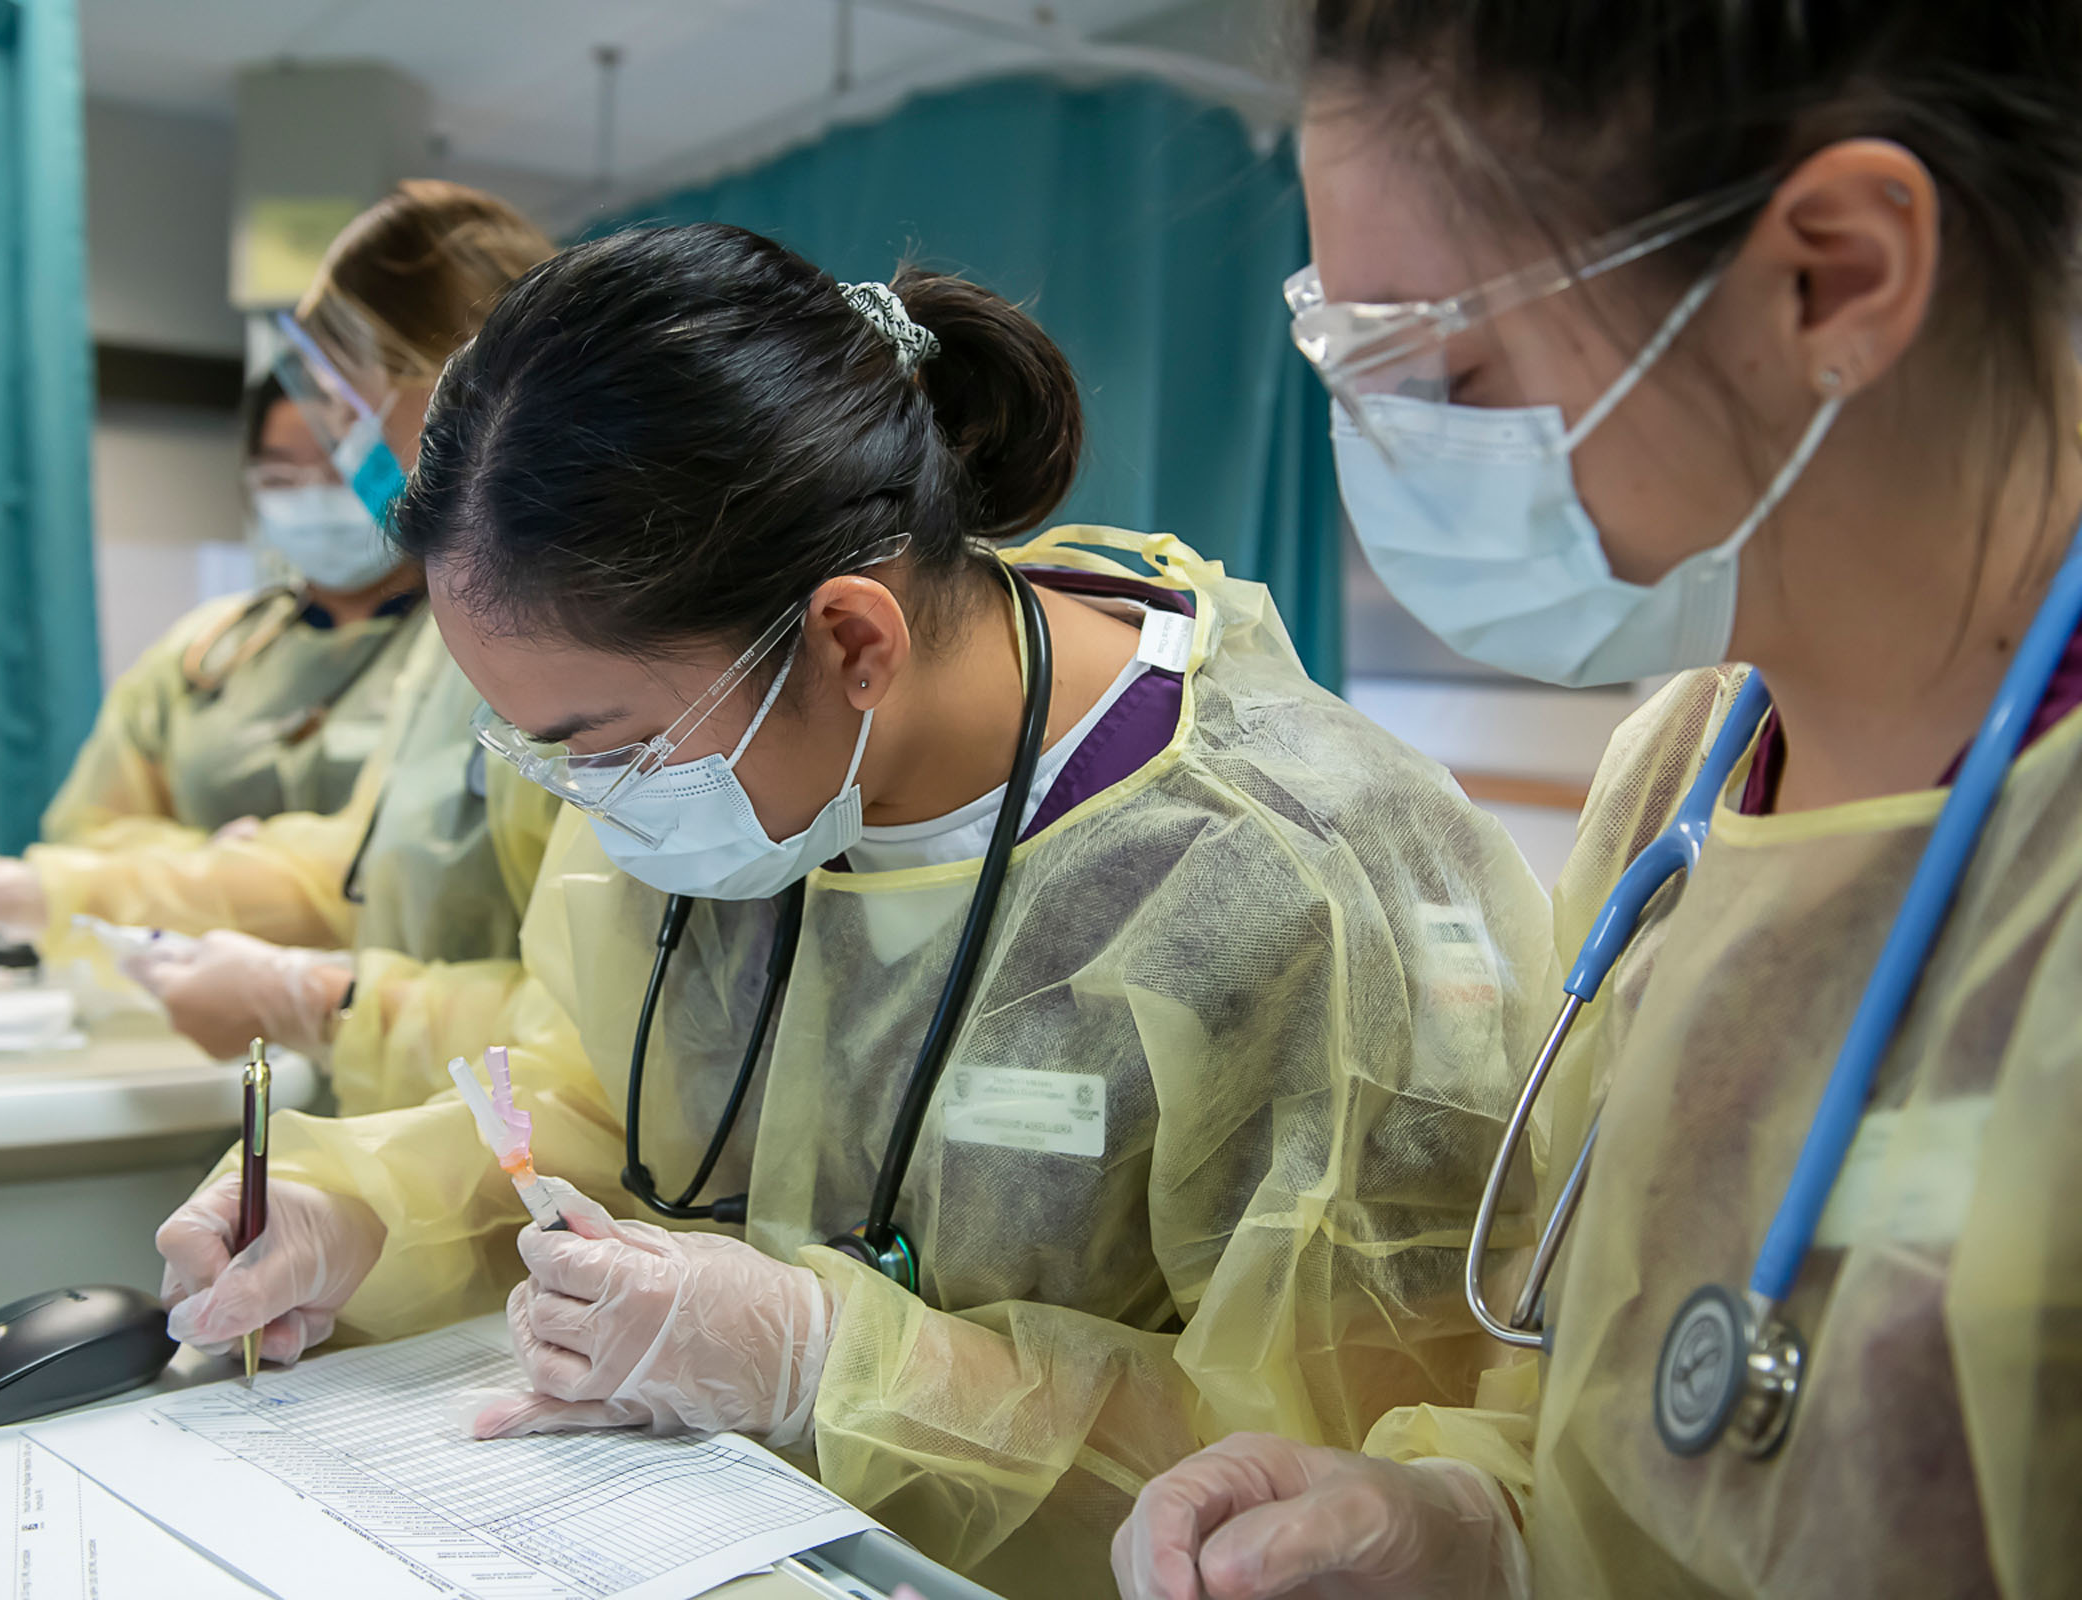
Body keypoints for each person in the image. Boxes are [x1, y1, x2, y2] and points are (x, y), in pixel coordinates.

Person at [149, 223, 1556, 1598]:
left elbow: (1331, 1489)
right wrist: (358, 1212)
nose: (590, 804)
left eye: (606, 743)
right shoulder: (730, 779)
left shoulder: (1296, 880)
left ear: (849, 641)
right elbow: (596, 1103)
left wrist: (832, 1362)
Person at [1114, 4, 2082, 1597]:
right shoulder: (1682, 777)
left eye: (1438, 366)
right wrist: (1466, 1526)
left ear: (1828, 274)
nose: (1393, 446)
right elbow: (1614, 1413)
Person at [0, 182, 562, 1113]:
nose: (344, 451)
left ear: (463, 382)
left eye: (344, 404)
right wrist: (40, 891)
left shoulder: (545, 643)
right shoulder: (423, 651)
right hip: (424, 1130)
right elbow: (341, 872)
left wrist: (320, 1000)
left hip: (487, 1144)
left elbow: (604, 1053)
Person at [38, 372, 429, 854]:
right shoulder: (202, 649)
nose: (313, 497)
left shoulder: (459, 647)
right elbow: (85, 836)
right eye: (280, 478)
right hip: (193, 927)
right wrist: (204, 867)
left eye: (341, 472)